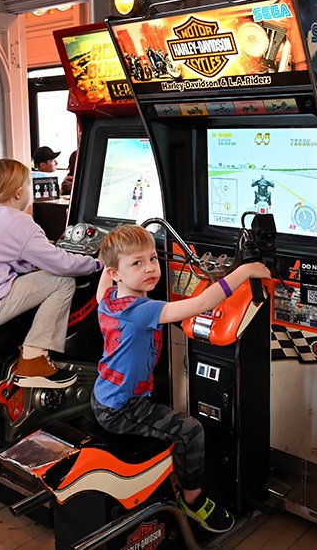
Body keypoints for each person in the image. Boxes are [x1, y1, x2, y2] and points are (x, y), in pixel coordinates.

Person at [93, 224, 270, 533]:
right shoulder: (142, 309)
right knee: (191, 431)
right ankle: (193, 498)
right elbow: (202, 305)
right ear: (117, 273)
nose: (149, 268)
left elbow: (103, 284)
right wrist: (244, 272)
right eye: (137, 263)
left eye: (152, 259)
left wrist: (114, 262)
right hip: (122, 408)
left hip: (104, 394)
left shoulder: (108, 298)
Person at [0, 158, 103, 389]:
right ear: (19, 192)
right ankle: (34, 359)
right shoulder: (19, 222)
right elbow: (61, 264)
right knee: (63, 281)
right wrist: (96, 264)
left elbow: (3, 261)